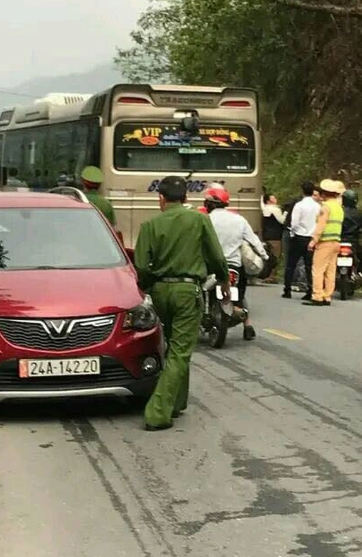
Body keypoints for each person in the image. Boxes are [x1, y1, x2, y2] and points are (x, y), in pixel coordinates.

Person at [134, 176, 229, 431]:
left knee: (171, 345)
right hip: (187, 290)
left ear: (161, 199)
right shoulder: (199, 220)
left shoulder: (149, 225)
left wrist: (150, 285)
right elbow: (216, 256)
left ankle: (177, 402)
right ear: (186, 198)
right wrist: (223, 279)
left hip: (160, 290)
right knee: (180, 350)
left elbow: (142, 266)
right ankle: (157, 413)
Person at [203, 183, 268, 341]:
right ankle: (247, 325)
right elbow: (254, 241)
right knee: (239, 294)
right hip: (233, 266)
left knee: (199, 290)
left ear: (209, 204)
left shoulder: (205, 220)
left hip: (209, 266)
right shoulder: (239, 220)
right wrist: (264, 257)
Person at [303, 179, 346, 307]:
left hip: (325, 242)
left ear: (326, 193)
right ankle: (327, 296)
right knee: (330, 271)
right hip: (336, 242)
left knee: (318, 269)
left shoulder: (326, 207)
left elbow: (321, 225)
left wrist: (313, 240)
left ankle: (317, 296)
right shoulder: (339, 208)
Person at [283, 181, 320, 300]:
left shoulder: (299, 205)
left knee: (291, 264)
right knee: (310, 266)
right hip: (311, 238)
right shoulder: (318, 206)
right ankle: (310, 290)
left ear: (302, 191)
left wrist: (293, 231)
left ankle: (287, 289)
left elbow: (294, 223)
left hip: (298, 237)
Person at [80, 166, 120, 233]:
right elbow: (111, 227)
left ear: (83, 182)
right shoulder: (106, 203)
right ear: (99, 185)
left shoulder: (78, 200)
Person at [341, 189, 362, 276]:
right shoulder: (359, 214)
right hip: (354, 241)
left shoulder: (339, 212)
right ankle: (361, 273)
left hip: (339, 239)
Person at [261, 192, 287, 283]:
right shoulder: (275, 209)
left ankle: (265, 274)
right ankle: (272, 276)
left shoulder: (264, 209)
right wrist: (286, 213)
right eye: (273, 198)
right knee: (275, 255)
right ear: (268, 201)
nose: (275, 199)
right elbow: (282, 221)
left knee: (268, 254)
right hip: (275, 235)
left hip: (266, 235)